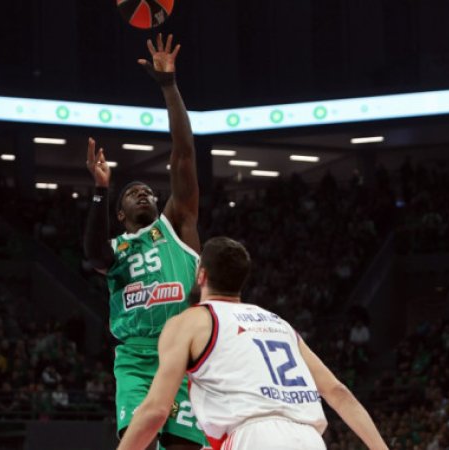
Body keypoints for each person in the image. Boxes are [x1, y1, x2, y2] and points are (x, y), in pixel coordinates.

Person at [118, 237, 388, 450]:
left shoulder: (190, 321)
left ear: (201, 275)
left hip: (252, 437)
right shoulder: (279, 323)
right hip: (310, 439)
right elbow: (338, 392)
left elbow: (156, 411)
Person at [84, 34, 204, 449]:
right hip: (135, 357)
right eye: (132, 192)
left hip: (184, 351)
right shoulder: (116, 248)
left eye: (149, 191)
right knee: (139, 442)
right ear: (119, 215)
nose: (143, 193)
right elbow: (93, 255)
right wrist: (101, 190)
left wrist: (168, 86)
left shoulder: (178, 225)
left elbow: (183, 155)